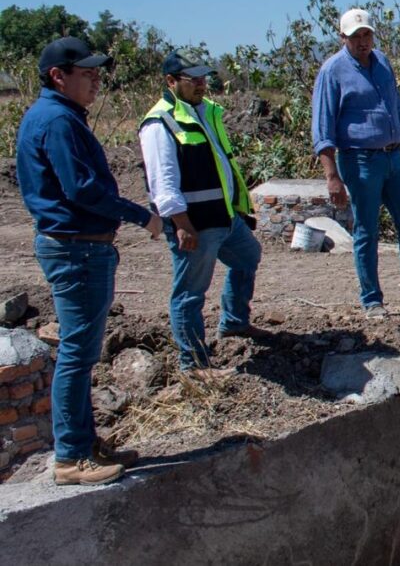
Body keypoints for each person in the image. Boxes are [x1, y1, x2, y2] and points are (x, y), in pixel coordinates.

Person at [17, 37, 163, 485]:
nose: (96, 80)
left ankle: (83, 443)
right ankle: (70, 457)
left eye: (98, 72)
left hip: (77, 246)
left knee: (80, 354)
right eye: (87, 73)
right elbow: (81, 189)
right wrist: (141, 216)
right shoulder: (58, 121)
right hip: (77, 247)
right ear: (58, 76)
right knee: (78, 355)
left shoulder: (56, 116)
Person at [311, 8, 400, 319]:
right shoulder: (332, 72)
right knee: (367, 230)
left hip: (394, 157)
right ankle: (372, 299)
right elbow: (323, 130)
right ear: (343, 38)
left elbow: (397, 108)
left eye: (367, 34)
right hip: (359, 160)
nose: (363, 41)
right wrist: (331, 176)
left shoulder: (382, 62)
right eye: (356, 36)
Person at [139, 48, 265, 377]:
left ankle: (235, 323)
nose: (200, 84)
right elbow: (162, 182)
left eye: (202, 77)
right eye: (192, 79)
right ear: (170, 81)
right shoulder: (160, 122)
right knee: (190, 293)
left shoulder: (204, 112)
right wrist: (181, 224)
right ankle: (193, 364)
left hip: (223, 216)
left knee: (248, 256)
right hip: (194, 223)